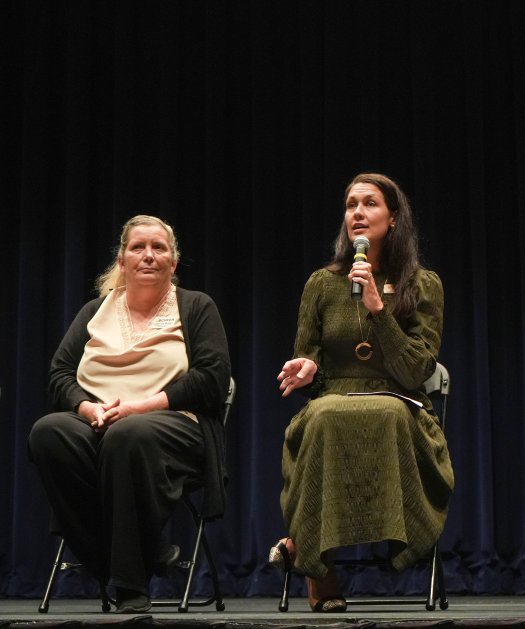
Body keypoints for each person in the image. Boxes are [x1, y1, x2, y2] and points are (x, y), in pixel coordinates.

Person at [268, 173, 455, 612]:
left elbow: (415, 370)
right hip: (332, 400)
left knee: (380, 413)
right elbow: (306, 362)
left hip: (400, 401)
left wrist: (377, 309)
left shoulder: (423, 284)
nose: (357, 213)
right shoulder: (322, 283)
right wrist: (307, 368)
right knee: (325, 415)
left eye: (370, 204)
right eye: (351, 204)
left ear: (392, 218)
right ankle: (321, 571)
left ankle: (302, 545)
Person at [28, 215, 231, 613]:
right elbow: (60, 373)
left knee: (128, 434)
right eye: (138, 247)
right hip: (99, 422)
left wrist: (140, 405)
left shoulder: (196, 307)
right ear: (122, 260)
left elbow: (212, 378)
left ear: (173, 262)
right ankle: (146, 552)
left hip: (175, 426)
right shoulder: (95, 311)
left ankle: (129, 585)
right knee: (47, 432)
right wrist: (87, 407)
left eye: (159, 248)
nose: (148, 256)